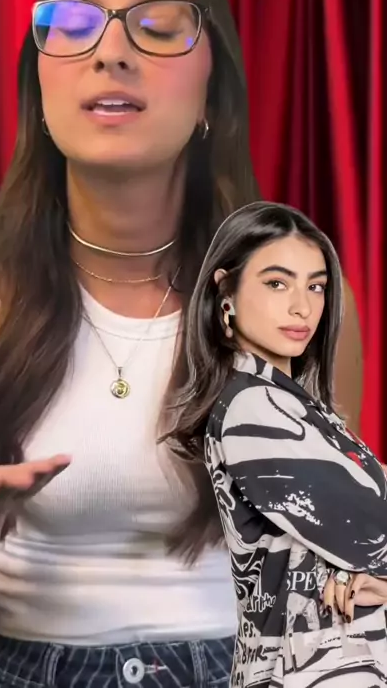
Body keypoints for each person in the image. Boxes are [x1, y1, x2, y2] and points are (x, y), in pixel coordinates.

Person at [0, 0, 362, 687]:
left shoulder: (300, 298)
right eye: (73, 24)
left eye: (158, 26)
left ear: (213, 95)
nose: (110, 51)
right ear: (39, 88)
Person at [165, 201, 387, 687]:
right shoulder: (252, 408)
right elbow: (370, 524)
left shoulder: (301, 408)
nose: (302, 307)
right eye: (277, 283)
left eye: (316, 286)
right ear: (225, 293)